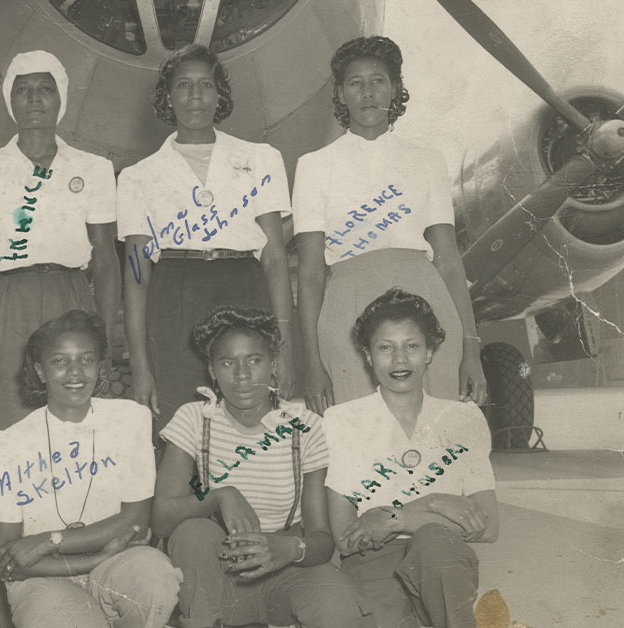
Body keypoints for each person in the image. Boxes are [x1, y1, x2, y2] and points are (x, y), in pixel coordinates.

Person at [292, 35, 486, 416]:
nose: (367, 92)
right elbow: (312, 274)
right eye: (355, 83)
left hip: (427, 302)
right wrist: (312, 366)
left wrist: (472, 349)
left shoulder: (428, 161)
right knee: (361, 442)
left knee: (434, 435)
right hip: (347, 308)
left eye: (378, 80)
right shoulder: (314, 166)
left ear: (395, 89)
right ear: (341, 93)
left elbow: (448, 261)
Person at [152, 306, 372, 628]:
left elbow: (322, 539)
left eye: (254, 361)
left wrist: (288, 549)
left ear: (272, 365)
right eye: (228, 363)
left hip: (285, 570)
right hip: (219, 575)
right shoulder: (194, 419)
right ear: (212, 370)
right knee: (193, 531)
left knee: (337, 603)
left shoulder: (305, 427)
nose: (242, 376)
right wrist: (219, 495)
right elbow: (160, 520)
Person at [117, 44, 294, 432]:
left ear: (220, 94)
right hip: (174, 294)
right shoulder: (137, 176)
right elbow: (136, 272)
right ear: (167, 96)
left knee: (252, 417)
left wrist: (285, 347)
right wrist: (140, 366)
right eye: (183, 85)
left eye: (205, 84)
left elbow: (275, 258)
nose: (195, 96)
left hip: (245, 288)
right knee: (183, 423)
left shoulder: (261, 158)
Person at [0, 310, 181, 628]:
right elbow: (12, 560)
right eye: (60, 361)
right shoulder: (9, 443)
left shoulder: (131, 419)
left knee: (156, 577)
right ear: (40, 371)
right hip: (44, 577)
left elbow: (134, 521)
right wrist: (94, 556)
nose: (74, 372)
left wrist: (48, 541)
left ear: (101, 367)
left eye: (86, 360)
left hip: (116, 564)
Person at [0, 50, 120, 432]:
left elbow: (106, 260)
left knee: (77, 419)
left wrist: (107, 337)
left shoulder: (93, 169)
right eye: (23, 89)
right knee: (16, 423)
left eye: (45, 89)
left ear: (61, 98)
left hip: (72, 293)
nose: (34, 98)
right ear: (9, 100)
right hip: (12, 297)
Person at [324, 288, 499, 628]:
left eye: (412, 346)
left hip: (442, 565)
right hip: (372, 566)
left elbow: (488, 525)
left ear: (431, 351)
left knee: (434, 540)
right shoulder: (342, 420)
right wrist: (438, 506)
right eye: (385, 347)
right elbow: (346, 538)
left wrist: (397, 518)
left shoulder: (463, 418)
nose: (400, 360)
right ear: (367, 355)